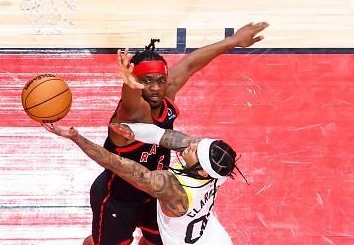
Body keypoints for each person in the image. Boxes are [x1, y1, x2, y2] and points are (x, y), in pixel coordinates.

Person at [88, 22, 268, 245]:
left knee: (156, 242)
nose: (155, 88)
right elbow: (130, 104)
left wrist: (234, 41)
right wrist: (129, 85)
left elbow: (190, 64)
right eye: (146, 82)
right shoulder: (130, 116)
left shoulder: (164, 94)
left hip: (156, 195)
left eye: (160, 81)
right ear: (135, 81)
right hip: (118, 201)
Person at [42, 121, 241, 245]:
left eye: (197, 150)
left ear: (201, 170)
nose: (193, 145)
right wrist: (134, 131)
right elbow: (163, 136)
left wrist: (76, 137)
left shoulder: (172, 189)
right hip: (215, 239)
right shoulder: (218, 170)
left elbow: (116, 163)